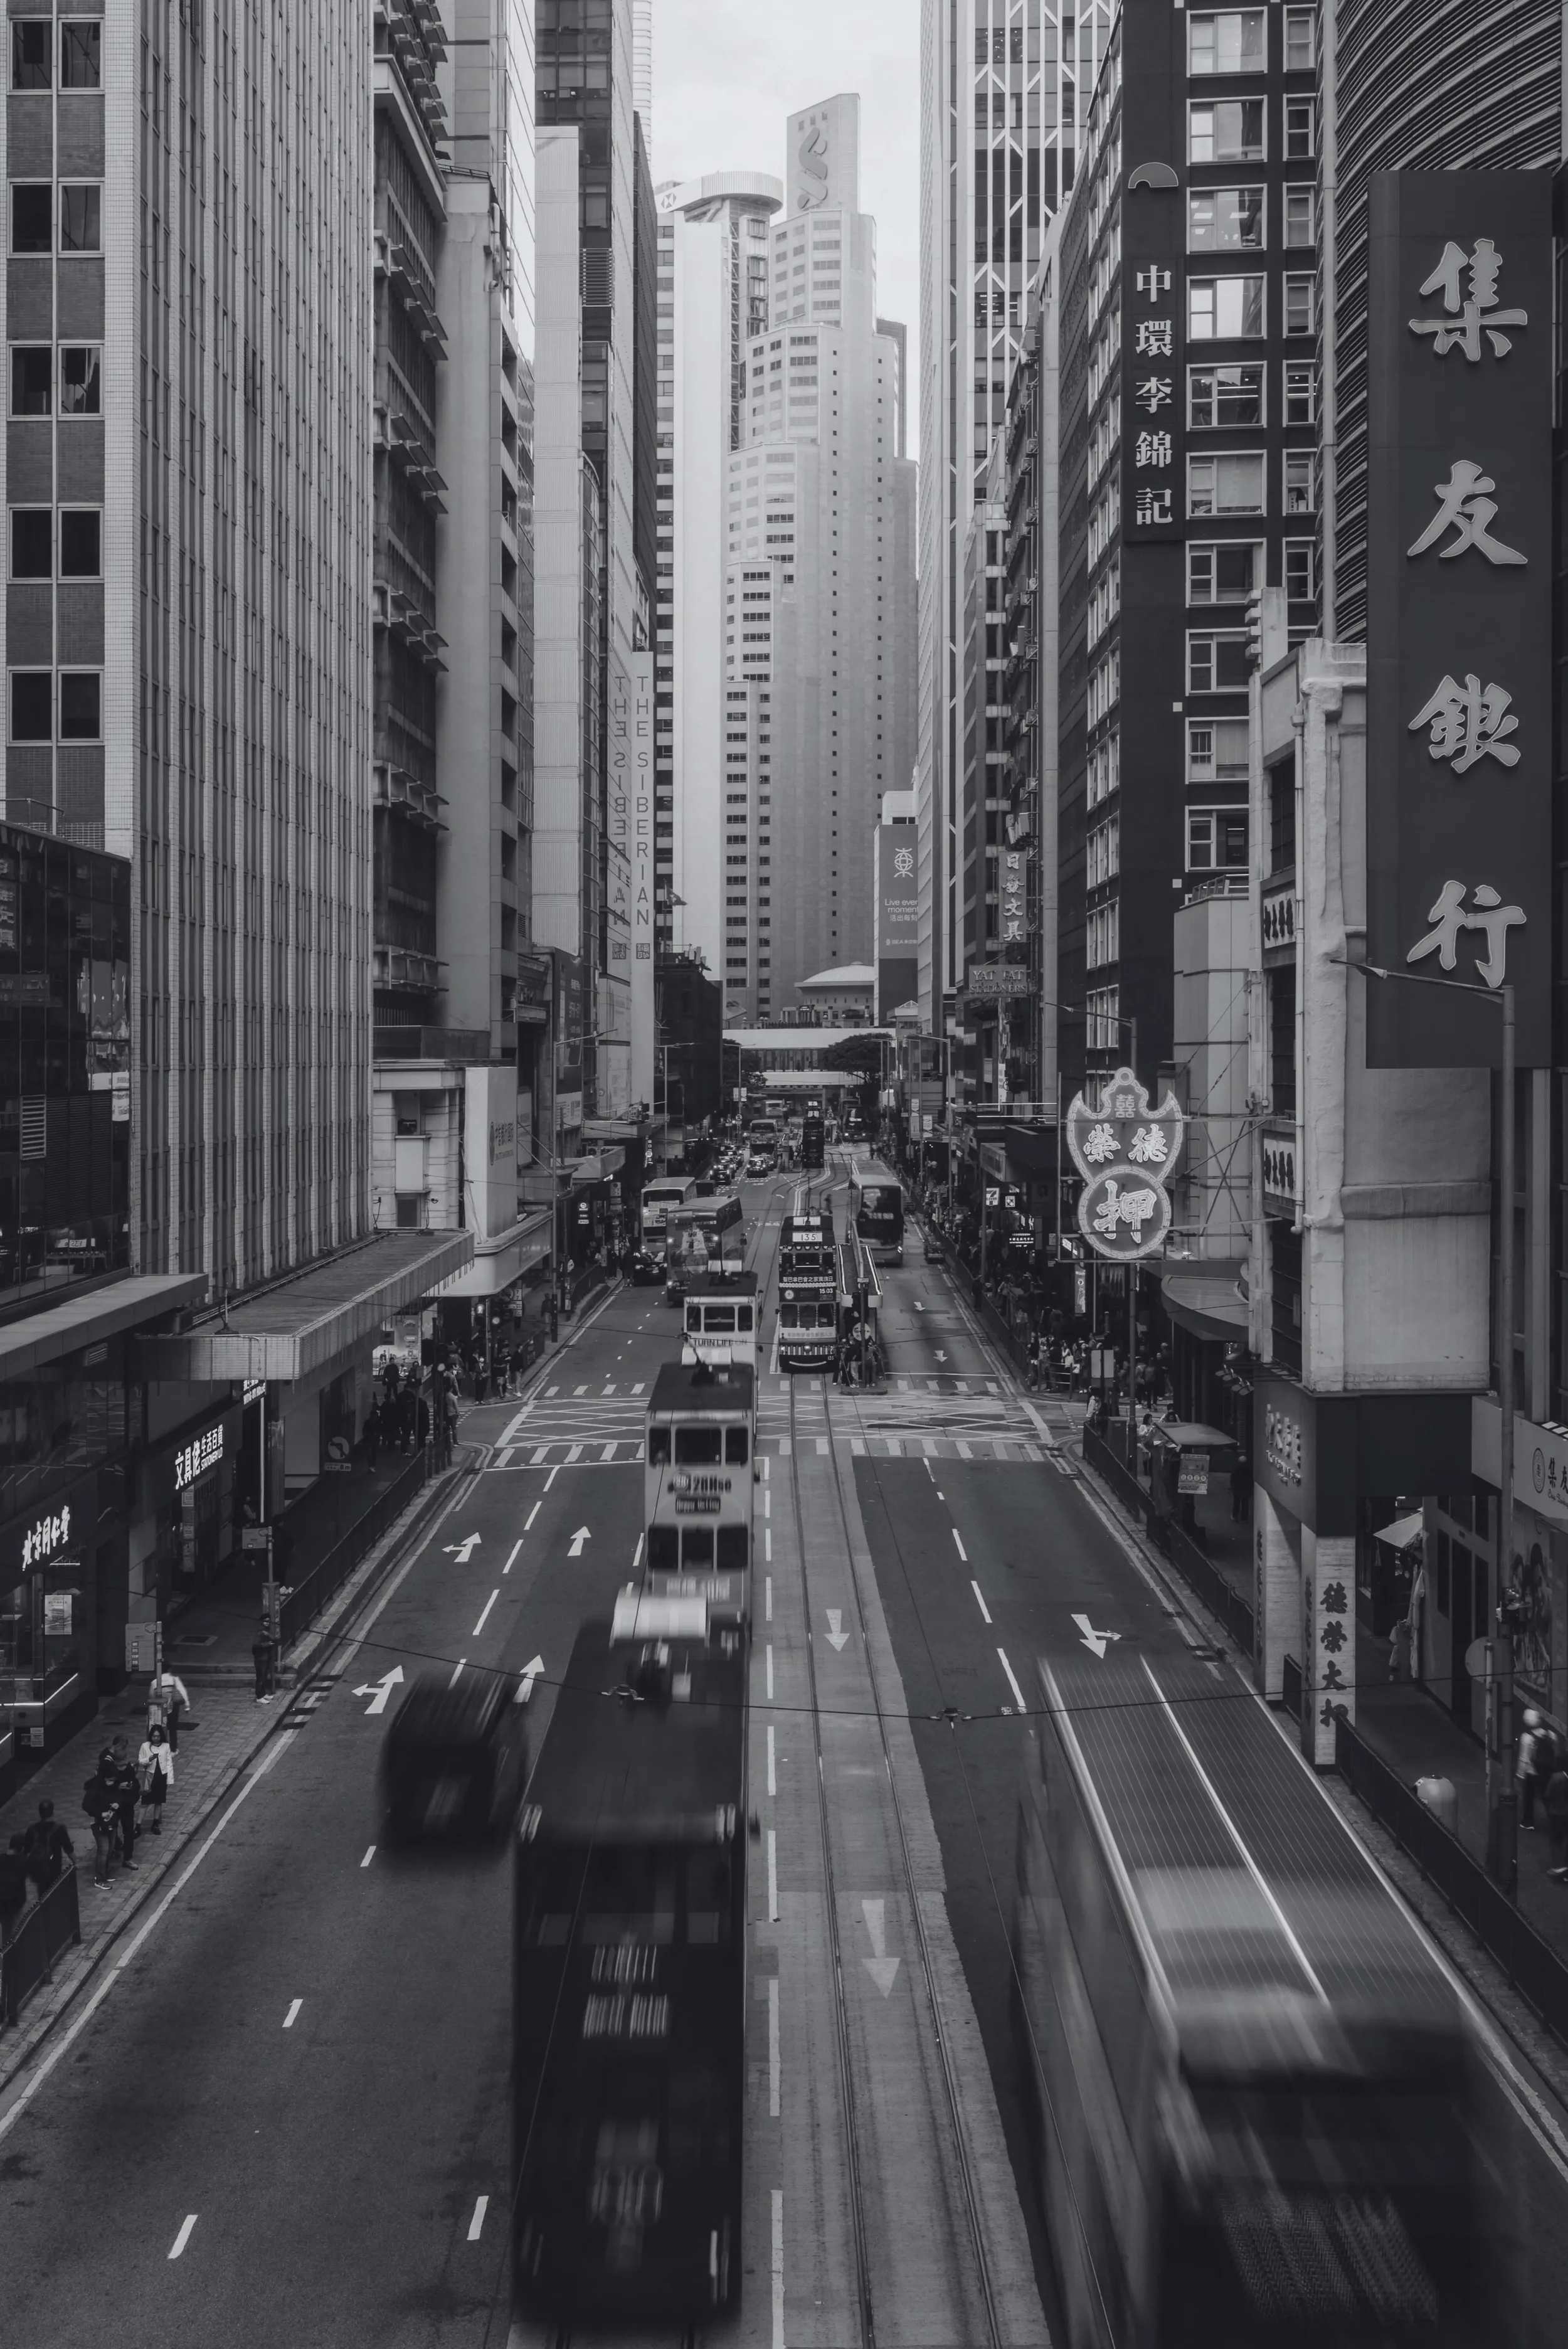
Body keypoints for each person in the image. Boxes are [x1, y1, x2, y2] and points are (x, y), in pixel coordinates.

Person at [22, 1798, 73, 1900]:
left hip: (39, 1867)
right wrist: (75, 1863)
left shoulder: (32, 1829)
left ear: (40, 1813)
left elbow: (26, 1851)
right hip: (54, 1866)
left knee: (42, 1892)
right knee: (55, 1891)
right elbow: (68, 1849)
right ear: (52, 1812)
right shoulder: (59, 1828)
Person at [83, 1752, 121, 1887]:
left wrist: (116, 1803)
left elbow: (118, 1796)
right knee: (103, 1850)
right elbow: (86, 1805)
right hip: (100, 1823)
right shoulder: (95, 1789)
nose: (111, 1783)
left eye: (113, 1780)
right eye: (109, 1780)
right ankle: (100, 1879)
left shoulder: (113, 1786)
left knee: (110, 1849)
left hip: (112, 1821)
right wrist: (101, 1814)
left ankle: (105, 1873)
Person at [106, 1736, 142, 1867]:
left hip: (127, 1805)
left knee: (128, 1831)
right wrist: (117, 1787)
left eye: (125, 1764)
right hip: (114, 1806)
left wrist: (131, 1787)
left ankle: (127, 1858)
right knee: (111, 1830)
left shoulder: (129, 1769)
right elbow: (103, 1787)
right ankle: (114, 1849)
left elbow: (136, 1785)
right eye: (120, 1765)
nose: (123, 1767)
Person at [139, 1722, 174, 1834]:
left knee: (158, 1802)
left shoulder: (166, 1746)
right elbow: (140, 1761)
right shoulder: (145, 1746)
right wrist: (148, 1759)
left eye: (158, 1736)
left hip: (161, 1777)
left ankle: (155, 1824)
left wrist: (169, 1780)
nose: (156, 1738)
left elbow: (169, 1764)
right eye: (154, 1736)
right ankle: (138, 1825)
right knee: (145, 1803)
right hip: (150, 1777)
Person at [149, 1664, 191, 1752]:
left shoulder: (154, 1683)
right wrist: (187, 1706)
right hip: (173, 1707)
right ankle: (173, 1749)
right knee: (173, 1728)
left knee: (161, 1728)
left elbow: (152, 1697)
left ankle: (161, 1747)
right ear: (169, 1669)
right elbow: (183, 1692)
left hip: (160, 1708)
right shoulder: (174, 1679)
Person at [1517, 1710, 1544, 1828]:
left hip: (1531, 1772)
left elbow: (1524, 1757)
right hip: (1546, 1772)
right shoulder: (1548, 1734)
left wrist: (1520, 1774)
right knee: (1546, 1796)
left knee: (1528, 1798)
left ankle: (1528, 1822)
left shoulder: (1526, 1737)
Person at [1545, 1751, 1568, 1881]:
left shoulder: (1556, 1778)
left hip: (1558, 1813)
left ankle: (1558, 1867)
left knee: (1556, 1839)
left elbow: (1549, 1795)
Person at [252, 1623, 278, 1704]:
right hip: (260, 1660)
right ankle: (259, 1697)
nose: (267, 1623)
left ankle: (263, 1694)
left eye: (268, 1620)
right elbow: (255, 1645)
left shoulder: (266, 1631)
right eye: (265, 1621)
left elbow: (275, 1639)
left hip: (265, 1659)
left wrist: (268, 1634)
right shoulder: (259, 1632)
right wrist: (267, 1644)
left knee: (264, 1677)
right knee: (260, 1678)